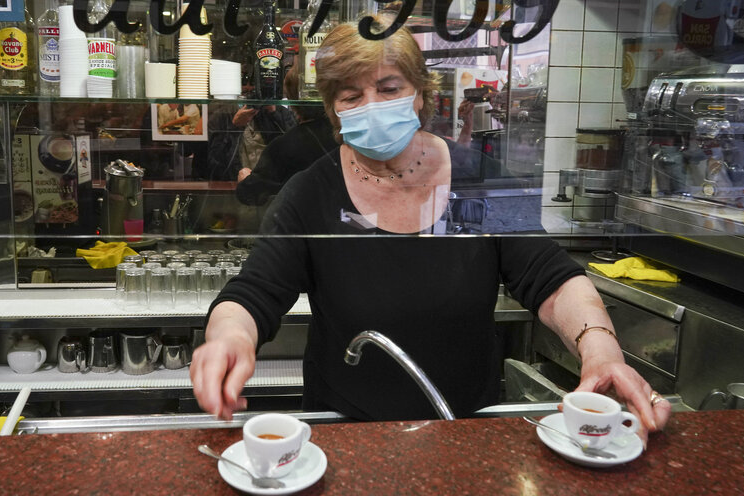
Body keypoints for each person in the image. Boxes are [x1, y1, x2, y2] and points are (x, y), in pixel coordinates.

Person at [191, 20, 671, 445]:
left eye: (388, 87)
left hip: (466, 428)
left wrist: (601, 350)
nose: (372, 106)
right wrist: (228, 339)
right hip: (347, 434)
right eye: (352, 96)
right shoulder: (309, 192)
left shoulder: (476, 176)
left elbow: (550, 276)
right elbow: (254, 292)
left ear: (420, 92)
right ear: (333, 110)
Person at [235, 67, 339, 206]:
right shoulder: (344, 137)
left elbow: (252, 194)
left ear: (290, 100)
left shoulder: (283, 146)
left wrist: (245, 178)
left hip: (297, 223)